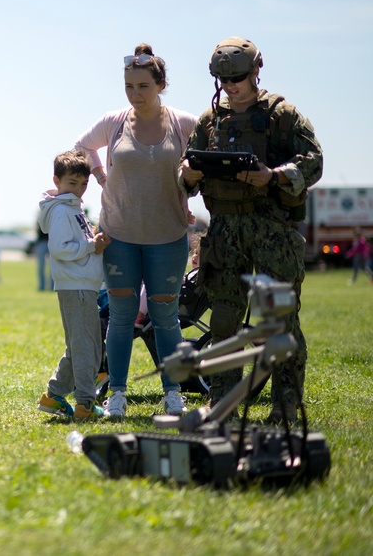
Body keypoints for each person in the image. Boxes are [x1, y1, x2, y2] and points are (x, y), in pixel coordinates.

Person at [180, 36, 323, 422]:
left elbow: (314, 161)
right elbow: (185, 174)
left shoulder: (282, 114)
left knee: (280, 321)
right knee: (224, 321)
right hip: (225, 231)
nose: (230, 85)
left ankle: (285, 405)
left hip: (272, 230)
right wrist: (188, 174)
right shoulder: (211, 120)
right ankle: (222, 402)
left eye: (238, 77)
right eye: (223, 79)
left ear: (256, 71)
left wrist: (273, 176)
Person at [75, 43, 198, 420]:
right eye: (129, 86)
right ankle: (116, 394)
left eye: (143, 86)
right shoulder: (114, 122)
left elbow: (200, 166)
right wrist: (99, 176)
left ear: (161, 84)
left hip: (167, 237)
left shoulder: (184, 124)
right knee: (122, 318)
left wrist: (190, 185)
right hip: (119, 236)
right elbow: (81, 147)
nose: (135, 94)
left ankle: (173, 392)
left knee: (166, 319)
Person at [36, 151, 110, 419]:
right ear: (57, 180)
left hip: (82, 285)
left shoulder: (72, 208)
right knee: (87, 348)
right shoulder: (61, 211)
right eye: (72, 183)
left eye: (83, 184)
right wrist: (92, 245)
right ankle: (85, 404)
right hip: (75, 286)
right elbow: (59, 249)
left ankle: (53, 396)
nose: (78, 189)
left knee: (81, 345)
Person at [34, 220, 52, 291]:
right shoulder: (40, 219)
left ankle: (53, 286)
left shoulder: (53, 216)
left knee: (53, 267)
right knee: (41, 267)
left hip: (51, 241)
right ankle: (42, 286)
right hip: (41, 242)